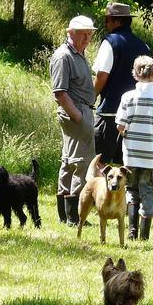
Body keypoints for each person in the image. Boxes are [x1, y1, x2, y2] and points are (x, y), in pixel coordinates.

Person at [116, 55, 153, 241]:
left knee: (132, 191)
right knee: (148, 191)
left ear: (135, 74)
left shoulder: (127, 97)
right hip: (150, 156)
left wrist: (127, 136)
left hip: (131, 155)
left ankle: (132, 231)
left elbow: (120, 125)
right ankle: (144, 235)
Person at [50, 15, 97, 226]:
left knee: (69, 161)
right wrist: (77, 115)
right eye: (83, 34)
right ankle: (74, 216)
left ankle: (65, 215)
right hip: (76, 113)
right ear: (71, 33)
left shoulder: (78, 53)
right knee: (80, 163)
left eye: (90, 34)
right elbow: (60, 92)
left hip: (81, 111)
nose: (87, 37)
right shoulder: (63, 56)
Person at [93, 2, 151, 169]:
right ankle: (124, 196)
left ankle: (101, 195)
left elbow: (102, 75)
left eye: (107, 19)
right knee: (125, 165)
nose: (106, 23)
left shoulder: (111, 42)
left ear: (117, 21)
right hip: (136, 114)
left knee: (100, 163)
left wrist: (91, 98)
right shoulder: (143, 46)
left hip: (110, 113)